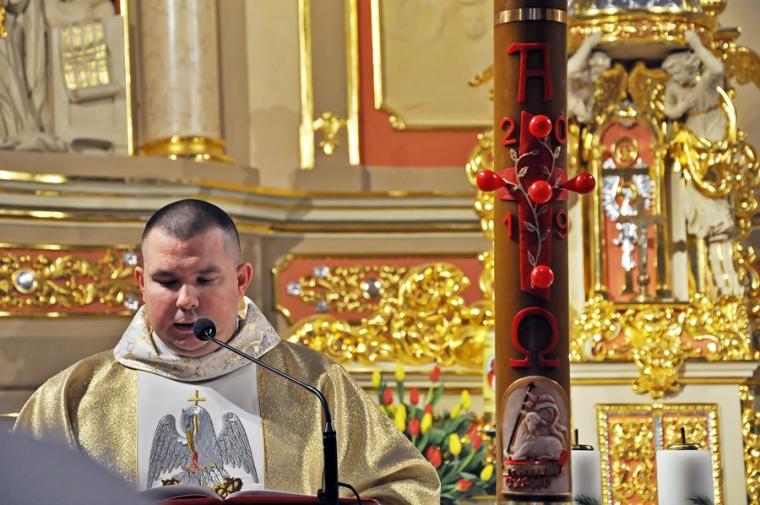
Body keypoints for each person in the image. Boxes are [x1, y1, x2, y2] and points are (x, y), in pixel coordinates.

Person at [14, 199, 440, 504]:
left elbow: (410, 488)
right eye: (167, 281)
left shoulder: (314, 384)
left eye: (205, 280)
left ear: (241, 280)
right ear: (141, 283)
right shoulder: (76, 395)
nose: (187, 300)